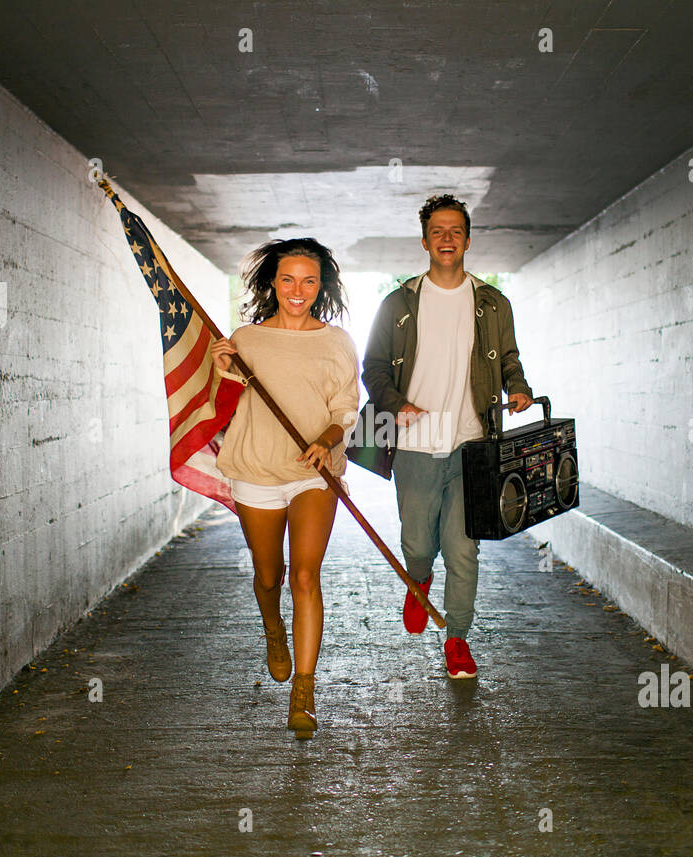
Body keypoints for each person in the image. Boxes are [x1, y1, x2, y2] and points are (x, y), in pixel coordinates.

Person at [362, 194, 533, 679]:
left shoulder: (492, 304)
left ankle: (456, 638)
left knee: (462, 546)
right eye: (437, 230)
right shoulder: (397, 304)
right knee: (417, 544)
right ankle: (418, 580)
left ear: (468, 239)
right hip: (416, 442)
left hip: (471, 446)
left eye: (455, 230)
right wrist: (397, 405)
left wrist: (517, 388)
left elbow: (510, 360)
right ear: (424, 240)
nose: (447, 238)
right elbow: (372, 368)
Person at [210, 238, 358, 738]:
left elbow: (346, 409)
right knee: (269, 576)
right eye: (289, 279)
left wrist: (326, 440)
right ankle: (274, 629)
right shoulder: (246, 339)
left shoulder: (336, 341)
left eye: (310, 280)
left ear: (322, 286)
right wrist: (221, 367)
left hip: (314, 473)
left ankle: (304, 691)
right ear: (273, 282)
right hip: (255, 468)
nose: (299, 290)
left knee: (305, 577)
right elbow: (223, 402)